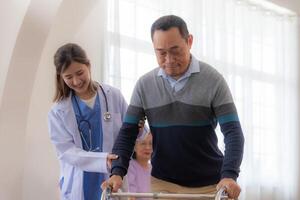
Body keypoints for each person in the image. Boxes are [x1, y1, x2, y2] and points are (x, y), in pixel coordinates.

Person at [105, 15, 245, 199]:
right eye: (161, 52)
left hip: (210, 185)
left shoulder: (213, 80)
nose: (169, 60)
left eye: (175, 50)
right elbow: (128, 132)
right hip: (163, 183)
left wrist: (229, 175)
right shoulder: (144, 85)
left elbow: (233, 132)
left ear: (189, 41)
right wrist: (117, 172)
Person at [48, 43, 129, 200]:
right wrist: (103, 159)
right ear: (61, 77)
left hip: (112, 178)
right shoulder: (58, 112)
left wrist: (140, 130)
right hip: (78, 181)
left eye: (80, 73)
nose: (77, 81)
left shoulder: (113, 96)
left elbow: (133, 133)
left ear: (88, 66)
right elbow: (66, 152)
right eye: (69, 77)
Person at [127, 132, 152, 200]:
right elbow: (131, 197)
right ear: (134, 147)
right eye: (143, 143)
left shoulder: (154, 168)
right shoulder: (129, 167)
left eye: (151, 144)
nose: (148, 147)